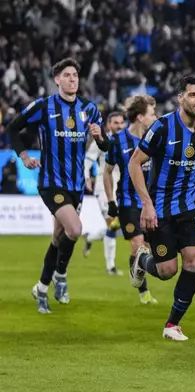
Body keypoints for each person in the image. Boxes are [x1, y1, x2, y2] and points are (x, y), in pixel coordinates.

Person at [7, 57, 109, 314]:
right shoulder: (44, 106)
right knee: (74, 229)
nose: (72, 79)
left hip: (75, 185)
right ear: (57, 79)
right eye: (67, 75)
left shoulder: (89, 109)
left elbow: (105, 146)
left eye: (75, 75)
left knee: (58, 237)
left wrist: (100, 137)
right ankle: (61, 276)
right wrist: (24, 156)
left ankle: (41, 289)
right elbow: (12, 129)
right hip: (52, 183)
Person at [128, 76, 195, 341]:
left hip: (191, 205)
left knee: (194, 259)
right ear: (180, 98)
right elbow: (135, 164)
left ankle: (172, 324)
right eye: (193, 95)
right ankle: (142, 260)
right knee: (166, 271)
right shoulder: (161, 128)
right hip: (160, 208)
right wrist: (146, 204)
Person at [104, 95, 158, 305]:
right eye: (152, 114)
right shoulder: (118, 141)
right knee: (137, 245)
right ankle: (143, 291)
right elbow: (107, 172)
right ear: (140, 117)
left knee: (150, 249)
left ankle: (137, 271)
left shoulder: (155, 138)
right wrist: (110, 202)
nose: (155, 118)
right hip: (127, 202)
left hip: (150, 203)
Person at [82, 111, 126, 275]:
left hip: (122, 186)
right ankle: (111, 267)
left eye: (121, 123)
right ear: (108, 125)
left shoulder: (127, 140)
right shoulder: (101, 141)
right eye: (115, 123)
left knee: (117, 226)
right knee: (113, 224)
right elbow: (87, 160)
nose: (119, 126)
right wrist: (86, 177)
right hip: (103, 185)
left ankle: (90, 237)